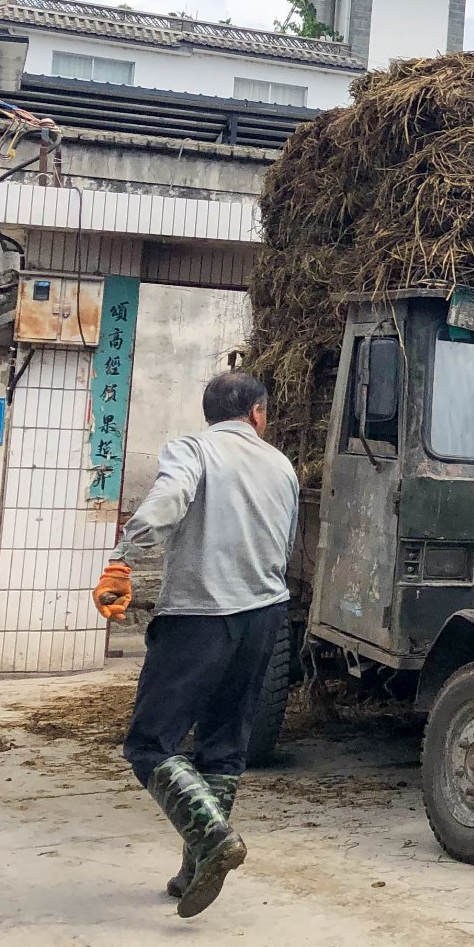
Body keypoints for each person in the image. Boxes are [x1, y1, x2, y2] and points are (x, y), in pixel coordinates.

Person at [91, 369, 299, 918]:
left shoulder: (193, 450)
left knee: (150, 744)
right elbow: (286, 542)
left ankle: (211, 839)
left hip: (200, 616)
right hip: (264, 617)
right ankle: (195, 868)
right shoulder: (282, 466)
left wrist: (122, 558)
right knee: (224, 744)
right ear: (256, 413)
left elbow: (170, 498)